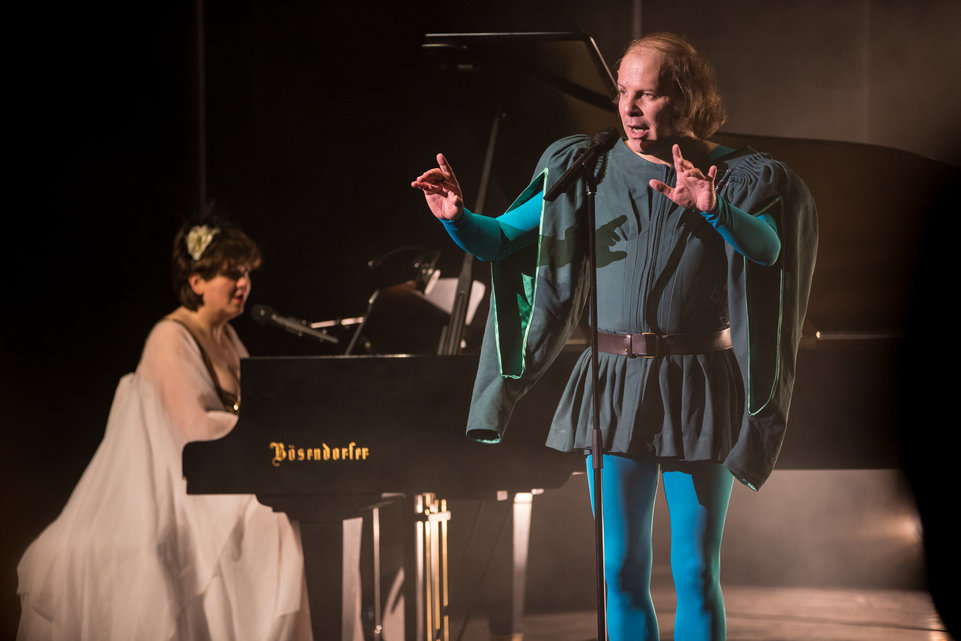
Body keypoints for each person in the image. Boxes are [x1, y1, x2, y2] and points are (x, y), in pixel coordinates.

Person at [412, 32, 817, 641]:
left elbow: (769, 250)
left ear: (683, 101)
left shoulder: (739, 174)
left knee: (695, 572)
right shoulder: (586, 165)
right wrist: (457, 220)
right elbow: (498, 240)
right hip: (613, 383)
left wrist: (711, 205)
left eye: (645, 95)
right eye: (622, 92)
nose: (628, 108)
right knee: (620, 572)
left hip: (698, 382)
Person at [16, 220, 313, 641]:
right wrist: (268, 440)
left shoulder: (227, 336)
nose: (243, 282)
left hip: (220, 472)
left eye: (246, 272)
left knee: (297, 504)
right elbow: (192, 430)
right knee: (274, 517)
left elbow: (254, 411)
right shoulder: (169, 337)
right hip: (179, 483)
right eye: (232, 272)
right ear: (196, 281)